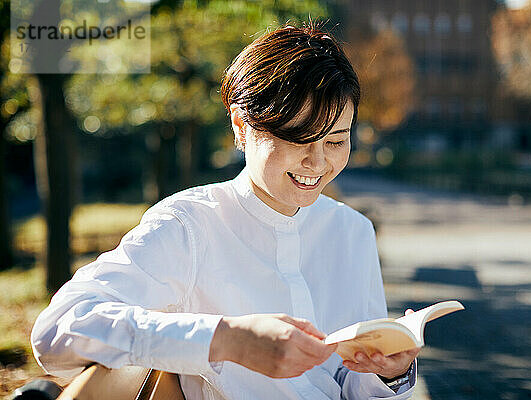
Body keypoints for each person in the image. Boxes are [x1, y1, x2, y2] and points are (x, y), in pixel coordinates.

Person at [31, 22, 419, 400]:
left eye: (336, 140)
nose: (316, 162)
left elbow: (351, 385)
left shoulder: (353, 232)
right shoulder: (189, 226)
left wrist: (390, 373)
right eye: (297, 137)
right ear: (240, 125)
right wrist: (227, 339)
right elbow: (56, 332)